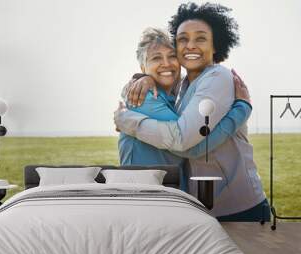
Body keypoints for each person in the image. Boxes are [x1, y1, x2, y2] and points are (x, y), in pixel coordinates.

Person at [114, 2, 270, 221]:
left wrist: (127, 121)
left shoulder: (216, 78)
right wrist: (143, 78)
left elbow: (186, 143)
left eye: (200, 38)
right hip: (166, 206)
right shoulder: (170, 91)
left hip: (236, 206)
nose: (190, 46)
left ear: (215, 45)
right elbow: (189, 145)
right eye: (183, 40)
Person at [119, 27, 252, 192]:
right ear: (143, 67)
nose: (166, 64)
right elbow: (189, 146)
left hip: (168, 194)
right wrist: (241, 109)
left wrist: (142, 78)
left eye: (172, 56)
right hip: (145, 196)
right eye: (156, 58)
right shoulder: (145, 97)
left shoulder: (176, 96)